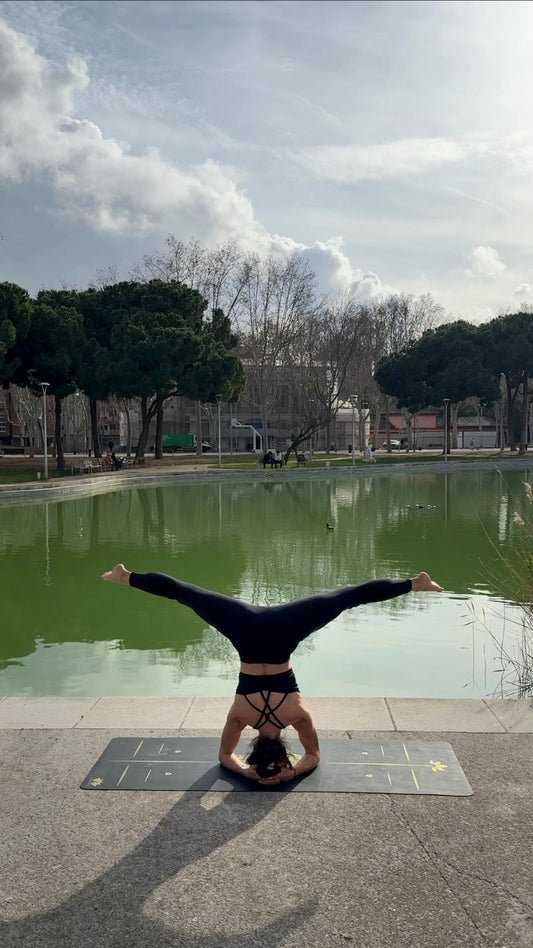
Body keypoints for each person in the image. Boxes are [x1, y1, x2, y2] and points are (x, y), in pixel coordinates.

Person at [100, 565, 443, 785]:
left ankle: (414, 584)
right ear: (254, 748)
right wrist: (246, 771)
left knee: (346, 597)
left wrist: (291, 771)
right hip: (245, 630)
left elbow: (313, 757)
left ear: (281, 749)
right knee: (187, 594)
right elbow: (224, 758)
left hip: (284, 631)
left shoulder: (297, 717)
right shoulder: (240, 717)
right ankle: (125, 576)